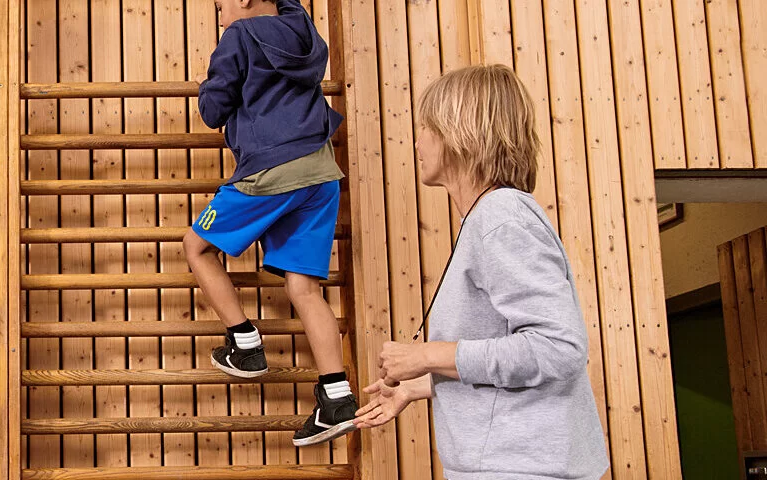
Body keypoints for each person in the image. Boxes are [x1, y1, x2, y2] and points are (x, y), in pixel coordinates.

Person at [352, 65, 609, 479]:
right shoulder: (489, 218)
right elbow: (502, 354)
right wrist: (421, 386)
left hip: (522, 468)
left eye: (425, 128)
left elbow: (559, 347)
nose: (416, 142)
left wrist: (426, 356)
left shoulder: (501, 217)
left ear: (459, 133)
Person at [186, 0, 353, 447]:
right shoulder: (305, 33)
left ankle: (244, 343)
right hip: (321, 173)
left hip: (271, 170)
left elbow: (212, 110)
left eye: (221, 5)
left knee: (196, 247)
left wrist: (211, 82)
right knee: (304, 288)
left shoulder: (239, 36)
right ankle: (337, 397)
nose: (218, 14)